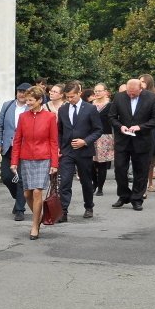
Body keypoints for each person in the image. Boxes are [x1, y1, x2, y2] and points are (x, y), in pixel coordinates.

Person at [10, 86, 58, 240]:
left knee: (37, 191)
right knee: (27, 193)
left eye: (31, 100)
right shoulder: (23, 117)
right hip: (26, 158)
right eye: (27, 99)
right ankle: (40, 215)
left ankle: (34, 225)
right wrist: (14, 161)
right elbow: (17, 140)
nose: (27, 102)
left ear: (39, 100)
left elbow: (54, 141)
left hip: (44, 158)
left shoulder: (50, 117)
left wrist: (54, 163)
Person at [108, 78, 155, 211]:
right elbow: (111, 116)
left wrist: (140, 127)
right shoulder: (119, 97)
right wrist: (119, 126)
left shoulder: (151, 98)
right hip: (123, 139)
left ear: (141, 88)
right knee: (120, 169)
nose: (131, 95)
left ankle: (137, 198)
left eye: (134, 93)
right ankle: (123, 195)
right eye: (129, 92)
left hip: (143, 139)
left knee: (141, 170)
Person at [56, 80, 102, 220]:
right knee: (64, 181)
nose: (70, 99)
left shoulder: (90, 109)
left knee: (86, 181)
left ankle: (89, 206)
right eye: (67, 97)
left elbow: (98, 130)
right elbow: (60, 131)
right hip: (67, 151)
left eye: (72, 97)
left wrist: (85, 141)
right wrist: (59, 146)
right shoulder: (63, 109)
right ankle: (63, 211)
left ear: (79, 93)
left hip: (84, 151)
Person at [0, 82, 33, 220]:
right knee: (6, 177)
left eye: (25, 92)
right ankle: (18, 198)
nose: (22, 94)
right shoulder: (8, 105)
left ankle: (20, 209)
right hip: (8, 147)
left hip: (24, 148)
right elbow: (0, 125)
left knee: (21, 179)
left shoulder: (31, 108)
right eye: (19, 91)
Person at [90, 83, 114, 195]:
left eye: (100, 91)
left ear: (105, 91)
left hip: (105, 136)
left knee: (102, 163)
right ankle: (94, 183)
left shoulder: (111, 105)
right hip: (91, 136)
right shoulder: (90, 105)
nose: (97, 93)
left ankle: (100, 187)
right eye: (96, 91)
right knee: (91, 163)